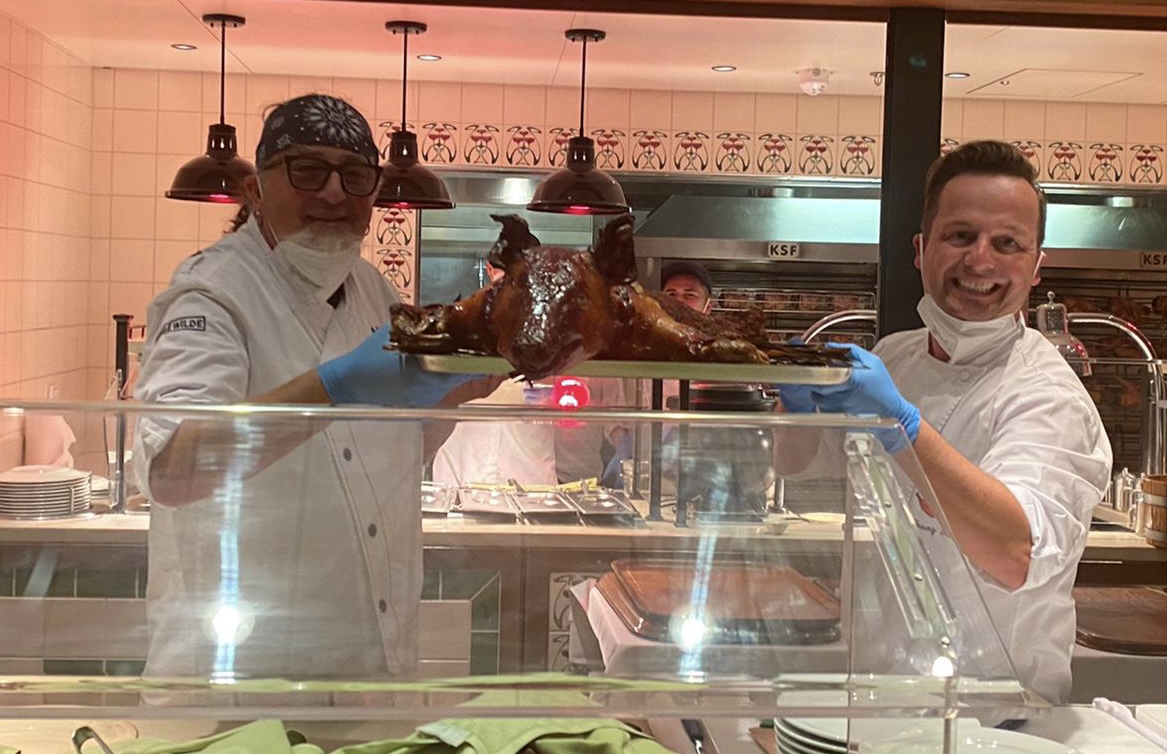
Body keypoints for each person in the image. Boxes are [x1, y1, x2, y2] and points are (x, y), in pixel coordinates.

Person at [132, 93, 496, 681]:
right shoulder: (211, 294)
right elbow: (174, 471)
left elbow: (392, 450)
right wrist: (334, 386)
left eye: (355, 176)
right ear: (255, 189)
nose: (334, 193)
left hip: (372, 665)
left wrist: (458, 387)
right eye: (307, 170)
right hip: (240, 675)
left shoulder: (374, 291)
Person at [781, 140, 1112, 704]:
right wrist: (797, 407)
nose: (980, 261)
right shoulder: (897, 356)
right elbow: (800, 468)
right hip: (878, 693)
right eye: (960, 236)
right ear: (921, 249)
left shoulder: (1049, 396)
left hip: (997, 713)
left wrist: (904, 428)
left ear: (1036, 266)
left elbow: (1014, 552)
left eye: (1007, 243)